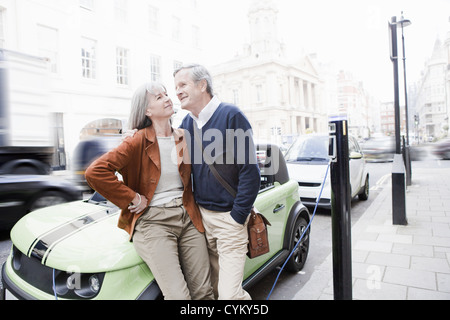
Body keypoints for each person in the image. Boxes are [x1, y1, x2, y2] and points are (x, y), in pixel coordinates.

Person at [85, 82, 214, 300]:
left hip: (189, 217)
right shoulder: (136, 139)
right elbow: (95, 172)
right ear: (147, 110)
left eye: (166, 94)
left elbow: (208, 169)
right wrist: (133, 198)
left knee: (204, 292)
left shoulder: (183, 137)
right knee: (179, 297)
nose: (166, 98)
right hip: (154, 222)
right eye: (158, 97)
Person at [174, 64, 261, 300]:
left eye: (183, 85)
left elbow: (251, 172)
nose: (177, 91)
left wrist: (237, 217)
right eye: (176, 87)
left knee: (230, 296)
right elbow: (168, 156)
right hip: (203, 219)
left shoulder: (232, 115)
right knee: (212, 288)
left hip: (229, 220)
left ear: (202, 85)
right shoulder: (187, 123)